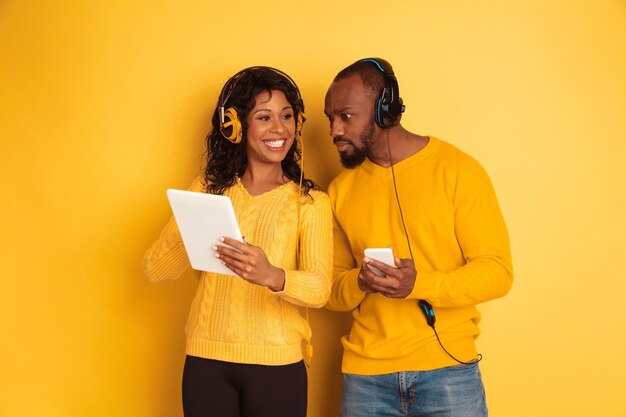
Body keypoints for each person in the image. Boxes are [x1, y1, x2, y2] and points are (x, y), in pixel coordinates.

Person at [324, 57, 513, 416]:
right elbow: (331, 289)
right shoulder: (340, 190)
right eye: (330, 118)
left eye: (345, 116)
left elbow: (498, 272)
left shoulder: (458, 170)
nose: (334, 129)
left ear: (385, 110)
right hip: (365, 380)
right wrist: (360, 282)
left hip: (448, 374)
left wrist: (418, 284)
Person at [143, 66, 333, 417]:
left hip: (278, 366)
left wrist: (272, 274)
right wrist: (192, 217)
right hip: (206, 361)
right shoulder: (207, 188)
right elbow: (156, 270)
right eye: (264, 117)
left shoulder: (311, 203)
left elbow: (321, 288)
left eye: (287, 116)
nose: (280, 129)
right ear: (235, 126)